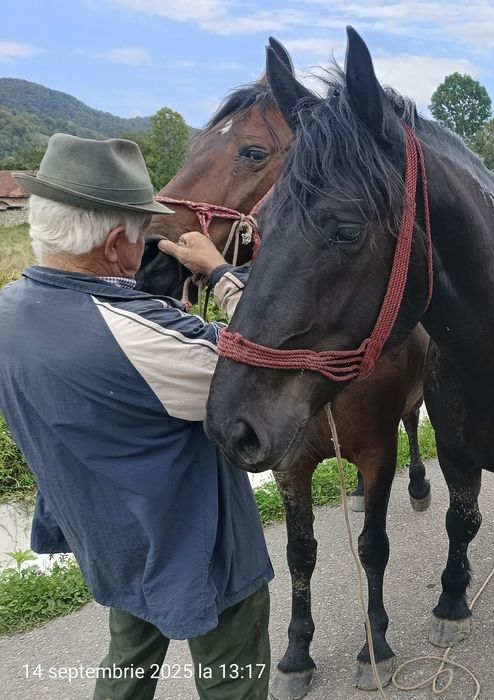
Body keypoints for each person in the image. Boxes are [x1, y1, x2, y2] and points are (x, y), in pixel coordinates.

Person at [0, 134, 273, 700]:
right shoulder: (141, 337)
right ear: (113, 242)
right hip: (197, 545)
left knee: (126, 663)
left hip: (108, 535)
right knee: (233, 679)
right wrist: (220, 272)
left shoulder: (10, 310)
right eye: (143, 230)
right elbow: (265, 362)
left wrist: (159, 311)